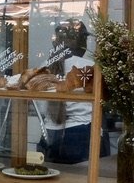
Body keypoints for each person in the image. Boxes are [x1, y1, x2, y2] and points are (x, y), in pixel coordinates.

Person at [38, 20, 109, 163]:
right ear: (76, 41)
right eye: (84, 38)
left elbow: (41, 107)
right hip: (81, 135)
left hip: (49, 135)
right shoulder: (89, 67)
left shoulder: (42, 67)